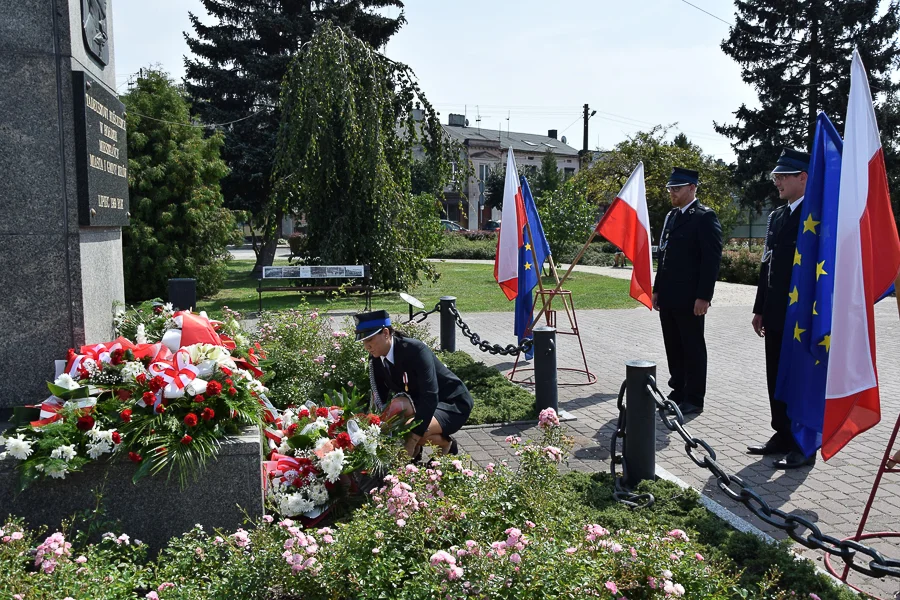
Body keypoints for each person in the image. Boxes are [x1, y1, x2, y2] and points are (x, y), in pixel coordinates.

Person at [748, 148, 816, 469]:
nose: (777, 180)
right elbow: (766, 266)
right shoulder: (777, 217)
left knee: (800, 378)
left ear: (803, 177)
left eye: (784, 175)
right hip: (775, 313)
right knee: (775, 376)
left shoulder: (815, 217)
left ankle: (804, 444)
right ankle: (782, 434)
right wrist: (759, 308)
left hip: (802, 316)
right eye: (777, 175)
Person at [354, 309, 473, 461]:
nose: (366, 346)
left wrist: (411, 440)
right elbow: (381, 400)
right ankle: (418, 451)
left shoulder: (415, 350)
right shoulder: (376, 359)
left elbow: (430, 395)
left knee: (409, 431)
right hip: (421, 403)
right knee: (395, 416)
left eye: (370, 340)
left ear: (385, 333)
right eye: (364, 341)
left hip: (452, 403)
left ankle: (446, 445)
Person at [651, 167, 723, 416]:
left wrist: (704, 296)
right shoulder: (672, 216)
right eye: (671, 188)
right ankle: (678, 389)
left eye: (677, 188)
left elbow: (710, 260)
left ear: (692, 188)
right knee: (673, 345)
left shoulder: (704, 217)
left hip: (691, 298)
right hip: (670, 295)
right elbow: (664, 256)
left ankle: (694, 397)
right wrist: (657, 288)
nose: (672, 192)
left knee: (692, 347)